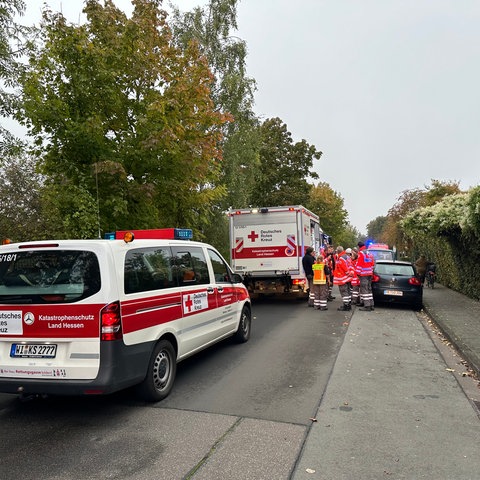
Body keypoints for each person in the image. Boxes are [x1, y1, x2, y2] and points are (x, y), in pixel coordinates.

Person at [355, 241, 375, 311]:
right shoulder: (369, 253)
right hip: (370, 273)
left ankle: (367, 306)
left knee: (364, 289)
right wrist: (371, 272)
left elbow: (359, 264)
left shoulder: (361, 253)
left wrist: (357, 273)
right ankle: (371, 304)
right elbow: (372, 263)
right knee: (369, 289)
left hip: (363, 274)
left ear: (358, 247)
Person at [333, 246, 353, 311]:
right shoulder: (347, 257)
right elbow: (350, 265)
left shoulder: (341, 258)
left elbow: (343, 266)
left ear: (338, 251)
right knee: (348, 291)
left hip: (342, 277)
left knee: (344, 291)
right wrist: (350, 273)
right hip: (347, 277)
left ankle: (346, 305)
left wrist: (347, 272)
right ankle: (348, 304)